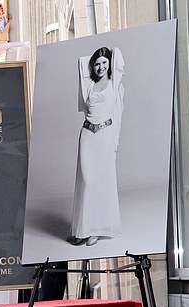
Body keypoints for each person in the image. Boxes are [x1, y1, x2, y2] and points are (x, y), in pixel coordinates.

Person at [68, 46, 124, 247]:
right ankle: (82, 230)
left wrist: (115, 141)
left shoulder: (115, 84)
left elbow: (118, 114)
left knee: (101, 182)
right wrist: (95, 58)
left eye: (104, 63)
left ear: (110, 64)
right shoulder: (88, 86)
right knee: (86, 182)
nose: (100, 67)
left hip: (105, 136)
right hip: (87, 137)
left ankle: (96, 230)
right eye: (97, 63)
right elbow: (82, 62)